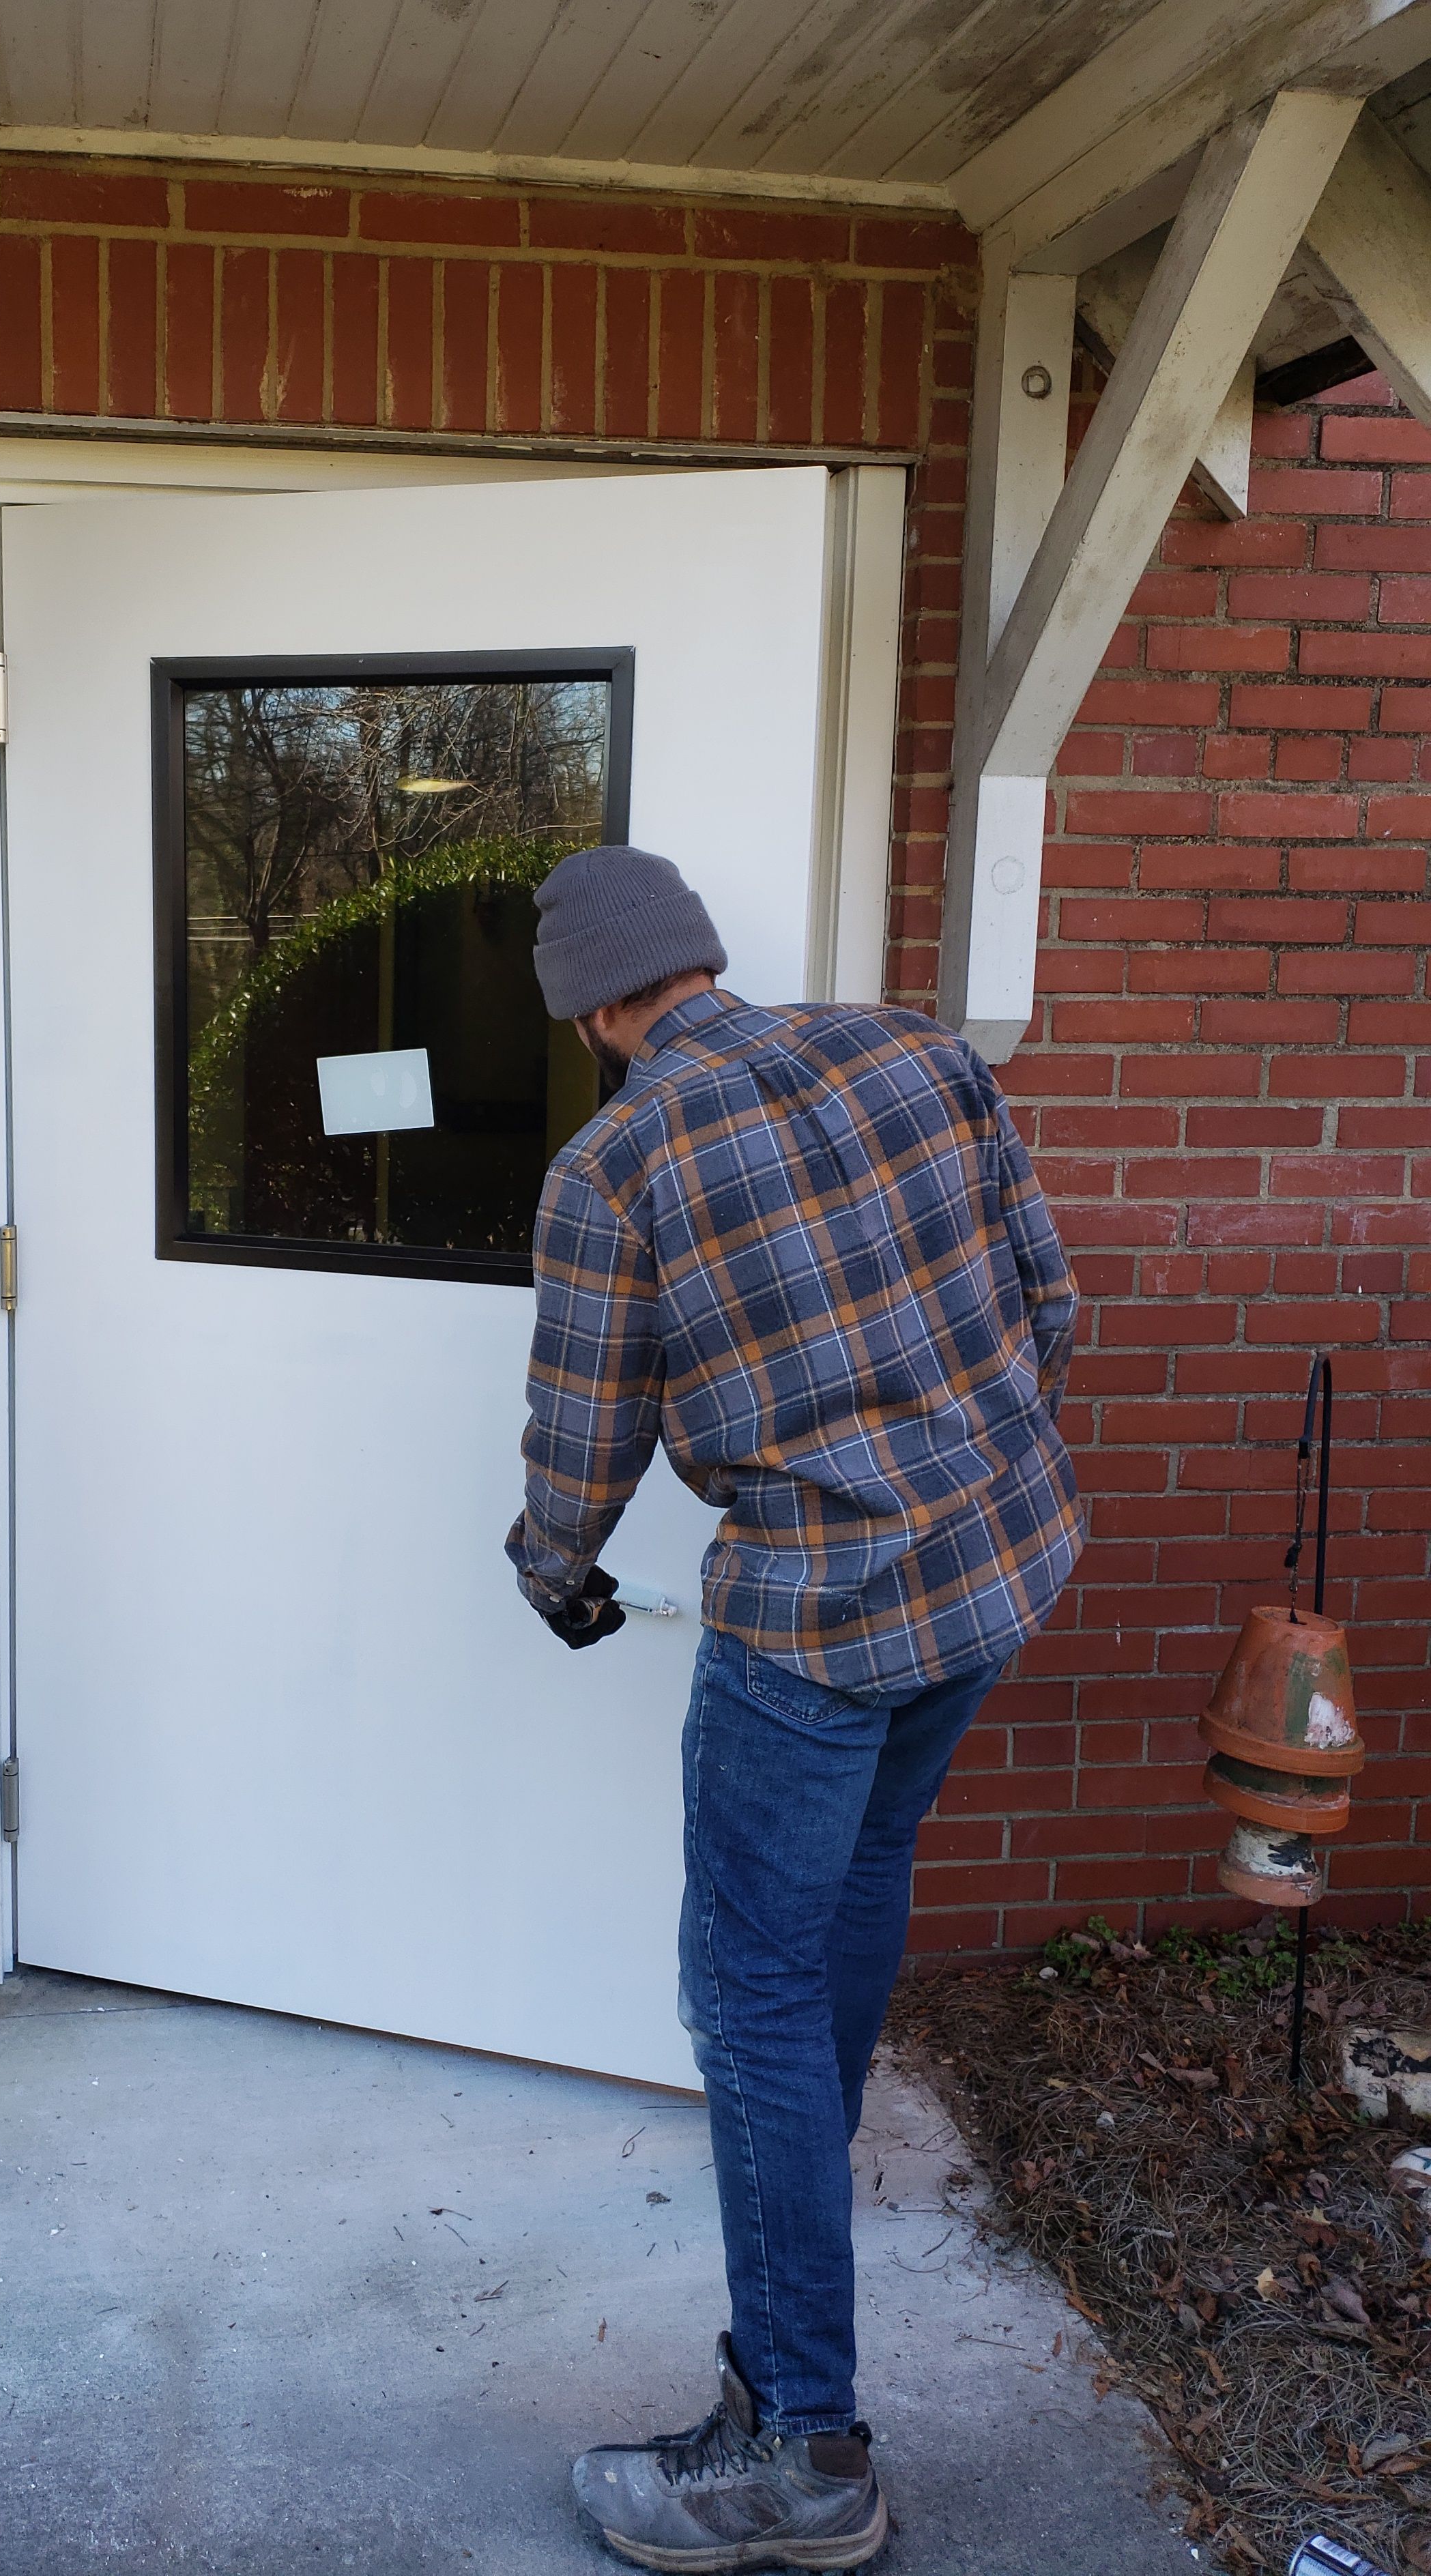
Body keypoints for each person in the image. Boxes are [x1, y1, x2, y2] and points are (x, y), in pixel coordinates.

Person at [506, 845, 1083, 2573]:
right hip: (994, 1571)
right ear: (699, 958)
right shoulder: (917, 1050)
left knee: (746, 1986)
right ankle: (798, 2196)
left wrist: (552, 1568)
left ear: (593, 1013)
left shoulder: (615, 1165)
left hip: (819, 1625)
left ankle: (802, 2450)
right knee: (858, 1884)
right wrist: (965, 1472)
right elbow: (1050, 1298)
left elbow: (586, 1436)